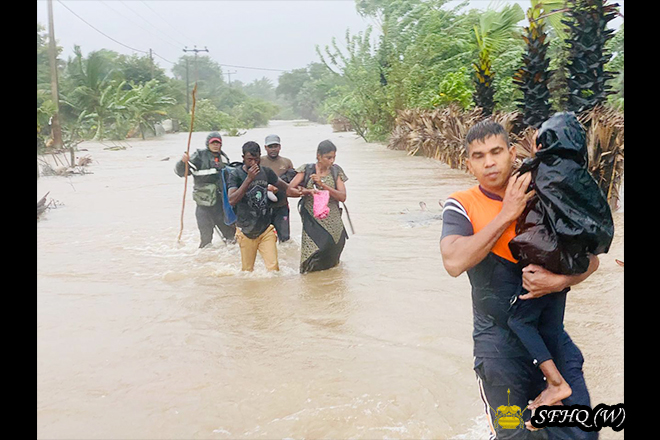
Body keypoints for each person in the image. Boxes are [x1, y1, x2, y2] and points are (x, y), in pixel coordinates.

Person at [440, 119, 599, 440]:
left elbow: (591, 261)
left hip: (552, 344)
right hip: (499, 353)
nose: (489, 162)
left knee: (581, 433)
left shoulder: (545, 195)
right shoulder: (462, 204)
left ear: (512, 153)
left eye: (496, 152)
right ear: (468, 164)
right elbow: (453, 262)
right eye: (479, 156)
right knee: (513, 435)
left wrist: (558, 282)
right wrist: (506, 214)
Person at [287, 140, 348, 274]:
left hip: (333, 224)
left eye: (334, 157)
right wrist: (307, 191)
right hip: (312, 223)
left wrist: (323, 185)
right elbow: (289, 190)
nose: (332, 161)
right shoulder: (306, 170)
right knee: (310, 258)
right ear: (319, 156)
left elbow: (342, 196)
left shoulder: (336, 171)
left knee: (331, 258)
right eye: (328, 157)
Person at [227, 141, 289, 272]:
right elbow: (232, 200)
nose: (254, 163)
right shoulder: (236, 175)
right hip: (246, 230)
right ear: (243, 158)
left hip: (265, 229)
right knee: (247, 271)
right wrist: (249, 179)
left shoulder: (266, 172)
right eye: (250, 160)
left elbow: (286, 188)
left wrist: (306, 192)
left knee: (273, 269)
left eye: (256, 159)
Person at [174, 131, 236, 248]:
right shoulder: (198, 156)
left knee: (231, 238)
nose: (215, 145)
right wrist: (183, 162)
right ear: (208, 144)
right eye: (213, 143)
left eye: (218, 143)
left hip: (220, 205)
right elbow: (181, 172)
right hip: (204, 206)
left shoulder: (224, 158)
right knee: (206, 240)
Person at [260, 134, 296, 242]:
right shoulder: (260, 161)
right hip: (264, 207)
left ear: (280, 147)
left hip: (282, 206)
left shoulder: (287, 162)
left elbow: (292, 183)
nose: (273, 149)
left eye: (275, 146)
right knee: (264, 239)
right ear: (265, 147)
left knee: (285, 240)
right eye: (270, 147)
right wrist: (267, 187)